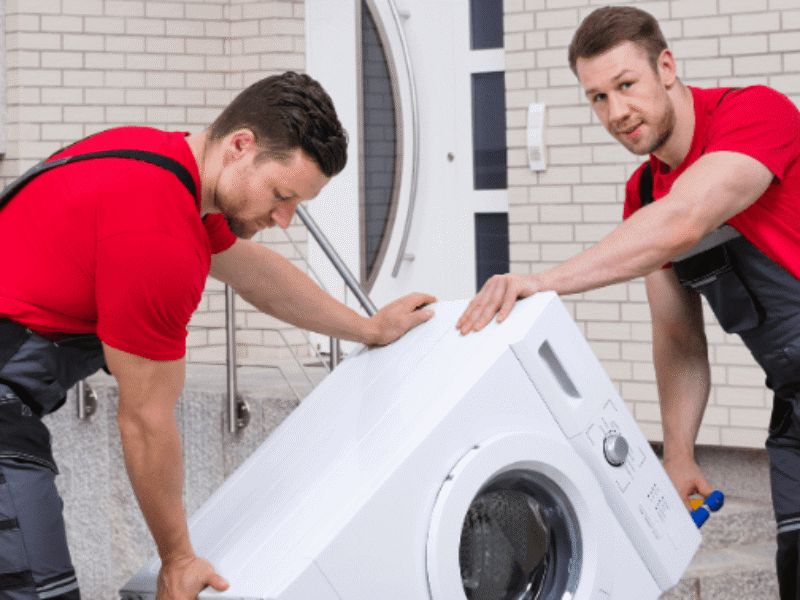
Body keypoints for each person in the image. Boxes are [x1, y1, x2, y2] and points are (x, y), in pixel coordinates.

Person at [0, 71, 436, 600]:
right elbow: (145, 421)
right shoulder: (158, 237)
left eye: (296, 204)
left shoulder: (154, 159)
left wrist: (366, 327)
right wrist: (178, 559)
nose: (283, 219)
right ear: (240, 146)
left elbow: (253, 272)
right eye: (281, 195)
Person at [457, 6, 800, 597]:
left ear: (666, 67)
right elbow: (677, 338)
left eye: (626, 86)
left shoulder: (755, 115)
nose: (617, 113)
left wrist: (546, 279)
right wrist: (680, 452)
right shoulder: (643, 193)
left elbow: (685, 220)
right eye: (597, 98)